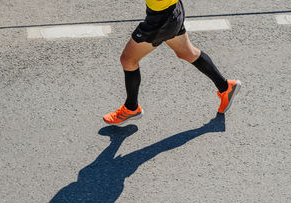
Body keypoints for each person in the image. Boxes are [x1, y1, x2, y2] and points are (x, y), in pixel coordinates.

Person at [103, 0, 240, 125]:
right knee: (187, 53)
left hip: (161, 19)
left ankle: (131, 108)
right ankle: (226, 87)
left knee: (128, 60)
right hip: (172, 10)